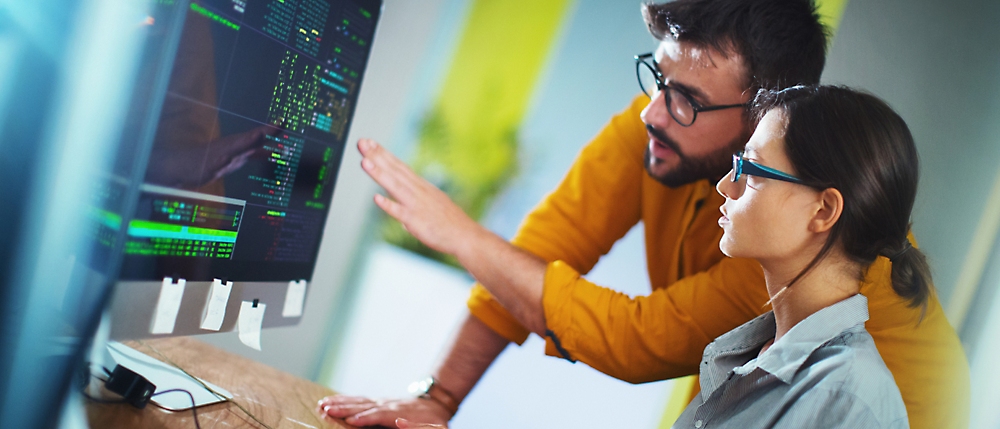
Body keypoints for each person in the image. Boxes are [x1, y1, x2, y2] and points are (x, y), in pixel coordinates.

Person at [318, 0, 969, 427]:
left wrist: (462, 236)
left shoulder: (796, 241)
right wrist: (438, 399)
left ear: (765, 117)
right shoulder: (661, 130)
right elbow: (548, 245)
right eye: (658, 80)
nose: (654, 112)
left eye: (685, 99)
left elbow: (637, 340)